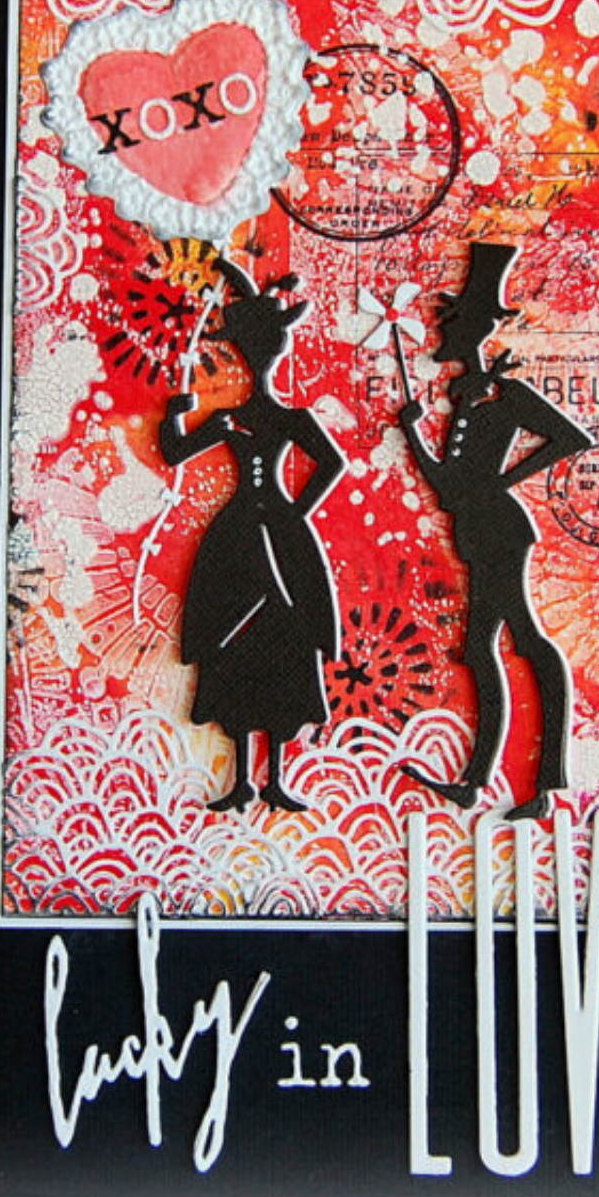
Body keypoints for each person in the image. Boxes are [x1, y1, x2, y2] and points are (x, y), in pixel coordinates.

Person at [399, 241, 592, 820]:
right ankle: (478, 779)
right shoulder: (464, 403)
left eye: (450, 326)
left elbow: (569, 438)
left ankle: (542, 783)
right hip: (476, 533)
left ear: (475, 331)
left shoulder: (504, 396)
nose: (440, 335)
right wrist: (412, 434)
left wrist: (506, 480)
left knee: (524, 641)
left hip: (501, 532)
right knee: (484, 648)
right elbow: (446, 486)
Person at [160, 259, 345, 812]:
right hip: (240, 534)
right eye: (248, 348)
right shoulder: (229, 418)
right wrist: (175, 416)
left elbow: (331, 464)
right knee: (233, 642)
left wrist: (295, 515)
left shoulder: (290, 418)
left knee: (288, 639)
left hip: (278, 533)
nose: (255, 358)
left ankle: (276, 779)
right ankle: (243, 779)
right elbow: (175, 452)